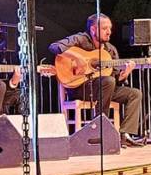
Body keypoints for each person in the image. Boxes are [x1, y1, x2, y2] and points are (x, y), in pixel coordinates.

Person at [48, 14, 143, 145]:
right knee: (108, 82)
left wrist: (124, 75)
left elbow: (115, 79)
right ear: (93, 29)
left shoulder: (111, 50)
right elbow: (55, 47)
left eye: (110, 28)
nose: (109, 32)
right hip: (80, 88)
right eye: (105, 28)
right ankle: (99, 129)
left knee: (134, 93)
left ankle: (125, 134)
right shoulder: (81, 39)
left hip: (104, 89)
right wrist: (77, 58)